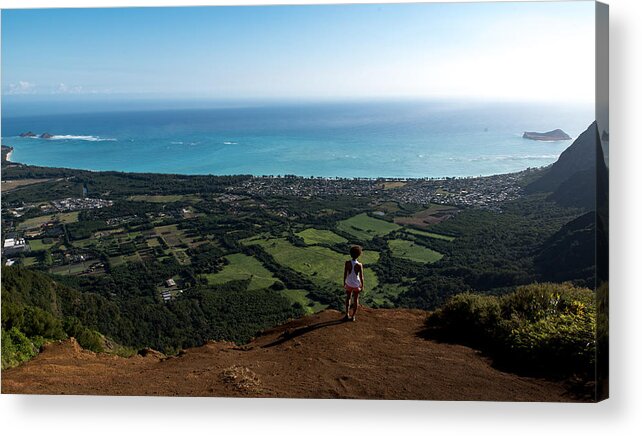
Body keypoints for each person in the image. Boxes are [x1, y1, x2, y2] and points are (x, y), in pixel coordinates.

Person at [343, 245, 364, 322]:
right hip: (356, 284)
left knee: (348, 298)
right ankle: (353, 316)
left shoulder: (347, 263)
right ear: (359, 254)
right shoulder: (359, 265)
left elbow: (345, 274)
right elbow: (362, 277)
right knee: (356, 299)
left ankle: (346, 314)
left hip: (348, 283)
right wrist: (362, 285)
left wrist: (344, 283)